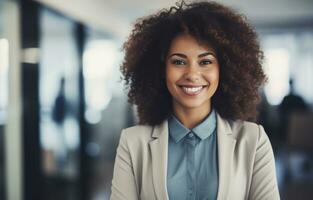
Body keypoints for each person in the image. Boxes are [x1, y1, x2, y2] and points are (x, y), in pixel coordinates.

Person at [110, 1, 280, 200]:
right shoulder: (132, 143)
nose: (192, 73)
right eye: (179, 62)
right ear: (161, 69)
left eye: (205, 62)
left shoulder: (253, 141)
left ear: (223, 69)